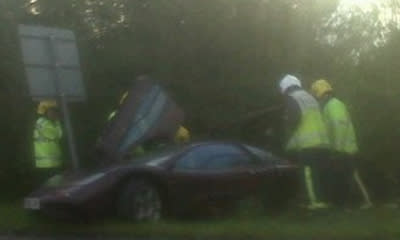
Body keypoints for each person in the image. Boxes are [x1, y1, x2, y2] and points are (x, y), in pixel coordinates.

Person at [311, 79, 373, 209]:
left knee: (351, 177)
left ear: (320, 94)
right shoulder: (332, 105)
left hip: (344, 149)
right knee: (345, 177)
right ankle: (346, 204)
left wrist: (337, 149)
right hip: (341, 148)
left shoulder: (333, 105)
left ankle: (365, 202)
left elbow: (339, 126)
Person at [279, 74, 330, 210]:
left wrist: (287, 128)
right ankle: (320, 200)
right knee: (316, 173)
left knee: (307, 172)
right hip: (321, 140)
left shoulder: (292, 98)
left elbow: (294, 119)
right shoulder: (309, 97)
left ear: (285, 88)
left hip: (307, 142)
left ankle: (314, 202)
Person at [33, 100, 63, 185]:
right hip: (46, 163)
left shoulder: (49, 122)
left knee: (56, 185)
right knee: (51, 185)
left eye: (55, 111)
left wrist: (56, 122)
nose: (54, 113)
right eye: (51, 111)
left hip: (52, 161)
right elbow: (56, 135)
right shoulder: (43, 123)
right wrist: (57, 123)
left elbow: (59, 135)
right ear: (45, 112)